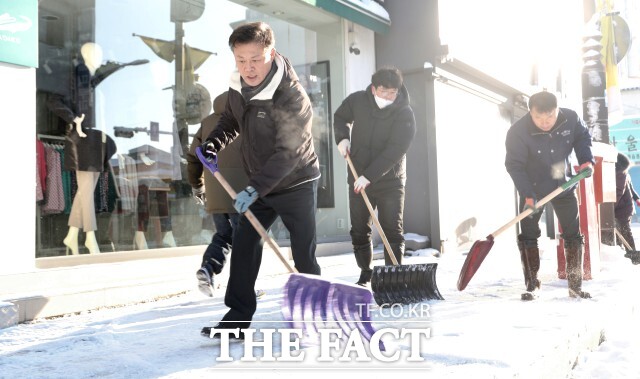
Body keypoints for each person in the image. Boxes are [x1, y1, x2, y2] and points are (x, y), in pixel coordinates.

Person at [199, 22, 321, 339]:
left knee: (304, 254)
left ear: (271, 52)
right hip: (261, 184)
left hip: (296, 181)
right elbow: (229, 119)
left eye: (255, 59)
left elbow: (288, 153)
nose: (248, 68)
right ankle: (236, 321)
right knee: (243, 245)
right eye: (241, 60)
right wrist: (213, 143)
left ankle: (314, 316)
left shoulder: (291, 97)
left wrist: (254, 188)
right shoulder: (238, 88)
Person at [505, 91, 594, 301]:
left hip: (562, 182)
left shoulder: (570, 119)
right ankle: (532, 284)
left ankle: (575, 286)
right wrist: (527, 194)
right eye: (539, 118)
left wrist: (586, 160)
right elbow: (514, 166)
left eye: (550, 117)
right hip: (532, 187)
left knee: (573, 233)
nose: (545, 123)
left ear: (557, 110)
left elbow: (582, 138)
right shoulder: (517, 132)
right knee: (528, 234)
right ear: (530, 113)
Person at [333, 67, 416, 286]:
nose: (389, 96)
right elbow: (340, 117)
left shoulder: (404, 112)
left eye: (393, 92)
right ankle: (365, 271)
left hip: (391, 179)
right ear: (373, 89)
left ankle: (393, 277)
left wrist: (368, 176)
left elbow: (396, 149)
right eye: (384, 91)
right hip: (357, 174)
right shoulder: (358, 101)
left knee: (392, 229)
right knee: (360, 229)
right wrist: (342, 138)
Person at [186, 91, 265, 298]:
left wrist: (198, 186)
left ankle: (208, 269)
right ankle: (243, 287)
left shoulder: (206, 123)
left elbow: (193, 157)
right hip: (243, 193)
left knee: (224, 235)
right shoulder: (247, 119)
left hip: (216, 192)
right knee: (246, 239)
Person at [47, 42, 117, 255]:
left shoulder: (96, 82)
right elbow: (53, 100)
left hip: (97, 138)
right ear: (84, 54)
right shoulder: (75, 79)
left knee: (86, 191)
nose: (99, 56)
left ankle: (71, 236)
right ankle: (90, 238)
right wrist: (73, 118)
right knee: (86, 192)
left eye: (100, 52)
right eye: (94, 52)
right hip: (83, 137)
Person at [614, 152, 640, 261]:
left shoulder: (620, 173)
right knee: (621, 231)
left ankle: (632, 255)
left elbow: (619, 192)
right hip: (624, 206)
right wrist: (637, 199)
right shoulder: (623, 172)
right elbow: (632, 189)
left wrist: (609, 209)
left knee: (624, 231)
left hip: (622, 208)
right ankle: (627, 253)